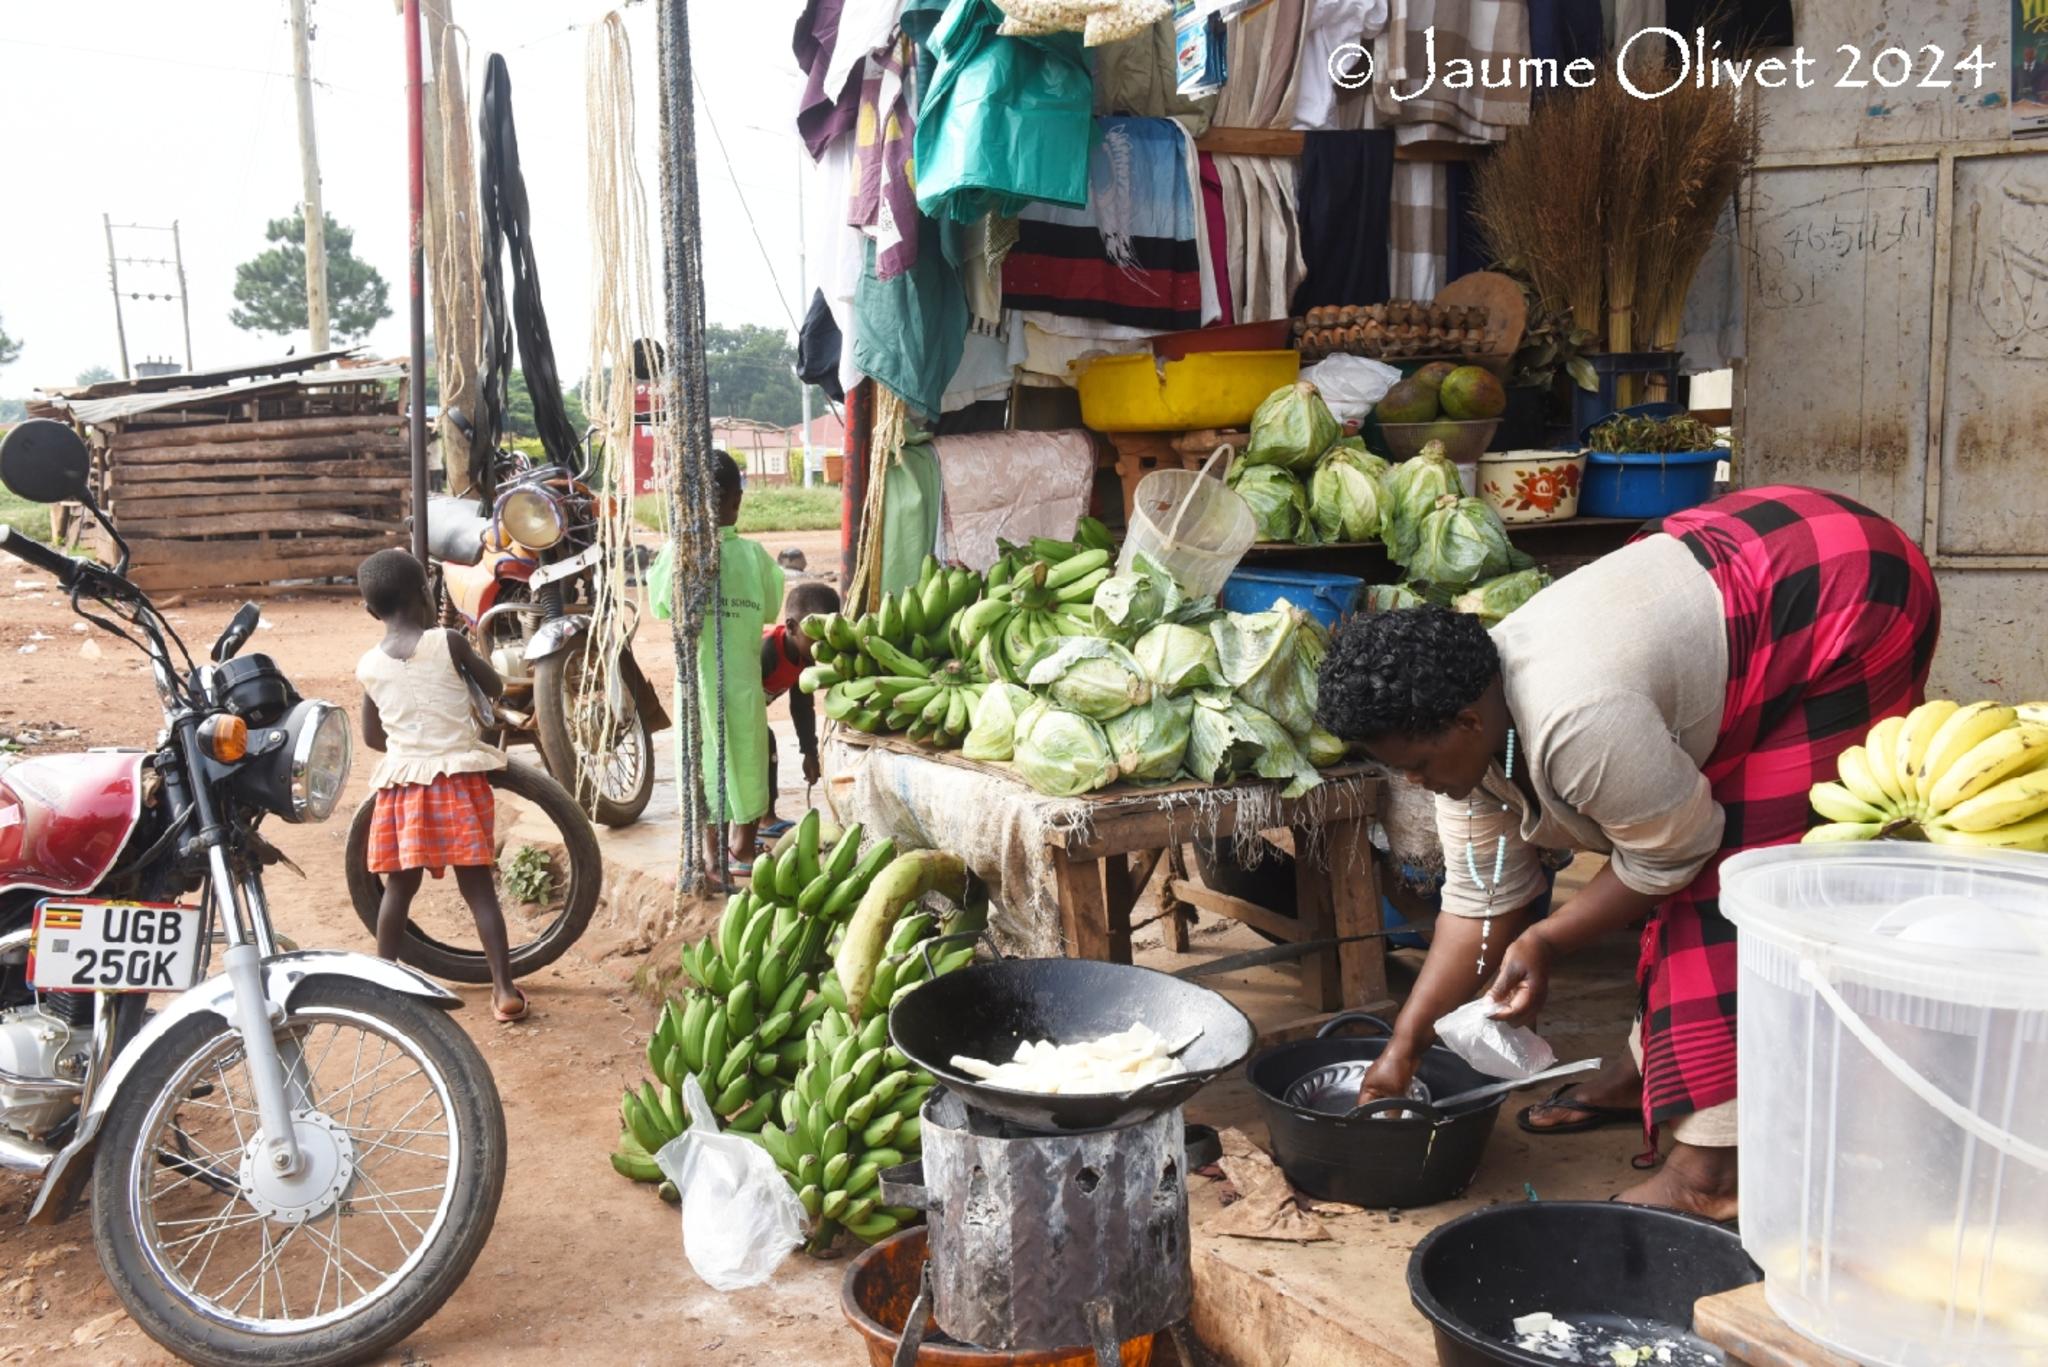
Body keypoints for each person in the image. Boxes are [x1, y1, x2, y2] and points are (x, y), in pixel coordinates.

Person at [1314, 487, 1940, 1219]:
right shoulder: (1473, 735)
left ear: (1466, 720)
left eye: (1417, 763)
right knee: (1681, 847)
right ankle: (1647, 1073)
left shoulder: (1576, 725)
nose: (1416, 784)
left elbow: (1676, 855)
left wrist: (1548, 937)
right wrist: (1404, 1046)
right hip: (1736, 566)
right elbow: (1479, 902)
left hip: (1842, 594)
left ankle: (1710, 1171)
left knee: (1735, 888)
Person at [355, 549, 526, 1022]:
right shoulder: (448, 641)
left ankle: (382, 983)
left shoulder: (368, 666)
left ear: (372, 611)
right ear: (427, 595)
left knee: (398, 890)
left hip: (405, 788)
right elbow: (492, 687)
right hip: (456, 783)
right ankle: (504, 989)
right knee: (479, 892)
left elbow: (372, 737)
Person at [691, 451, 787, 877]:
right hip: (743, 684)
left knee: (704, 757)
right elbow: (769, 609)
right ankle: (743, 851)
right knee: (748, 760)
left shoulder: (679, 556)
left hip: (695, 683)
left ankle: (711, 857)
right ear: (738, 501)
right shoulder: (754, 557)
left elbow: (659, 603)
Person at [759, 580, 842, 837]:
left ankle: (765, 815)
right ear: (793, 627)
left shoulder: (806, 657)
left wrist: (809, 752)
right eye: (815, 634)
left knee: (767, 743)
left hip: (756, 707)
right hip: (736, 706)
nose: (823, 643)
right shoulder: (768, 650)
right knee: (763, 742)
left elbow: (802, 706)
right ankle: (762, 817)